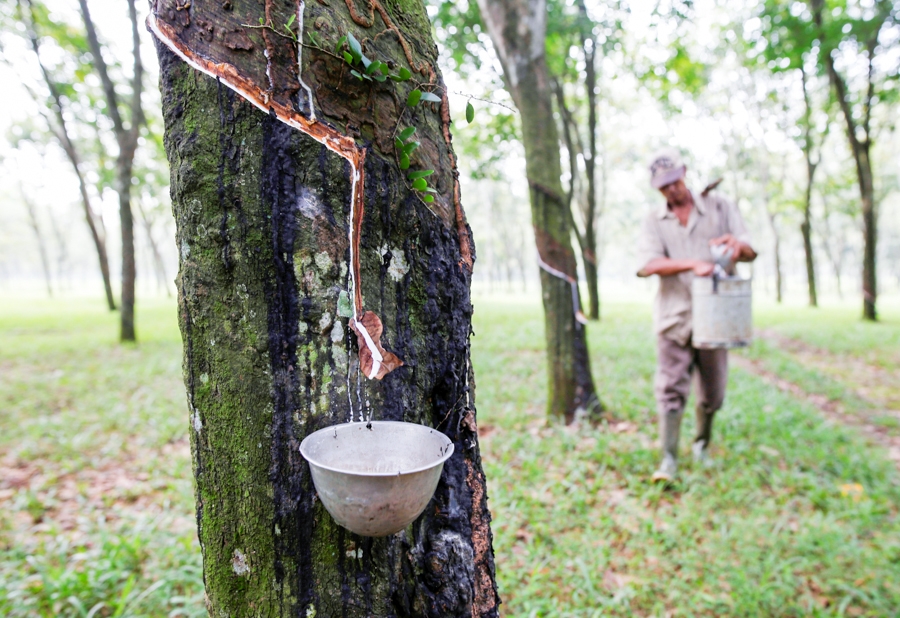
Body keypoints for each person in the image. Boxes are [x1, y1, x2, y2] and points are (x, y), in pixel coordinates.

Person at [636, 148, 757, 482]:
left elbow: (749, 250)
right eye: (663, 186)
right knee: (670, 388)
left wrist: (737, 245)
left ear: (684, 173)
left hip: (715, 318)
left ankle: (702, 443)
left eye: (674, 182)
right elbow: (648, 265)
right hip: (674, 317)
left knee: (713, 392)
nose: (671, 190)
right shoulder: (654, 220)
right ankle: (668, 459)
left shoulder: (720, 207)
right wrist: (692, 263)